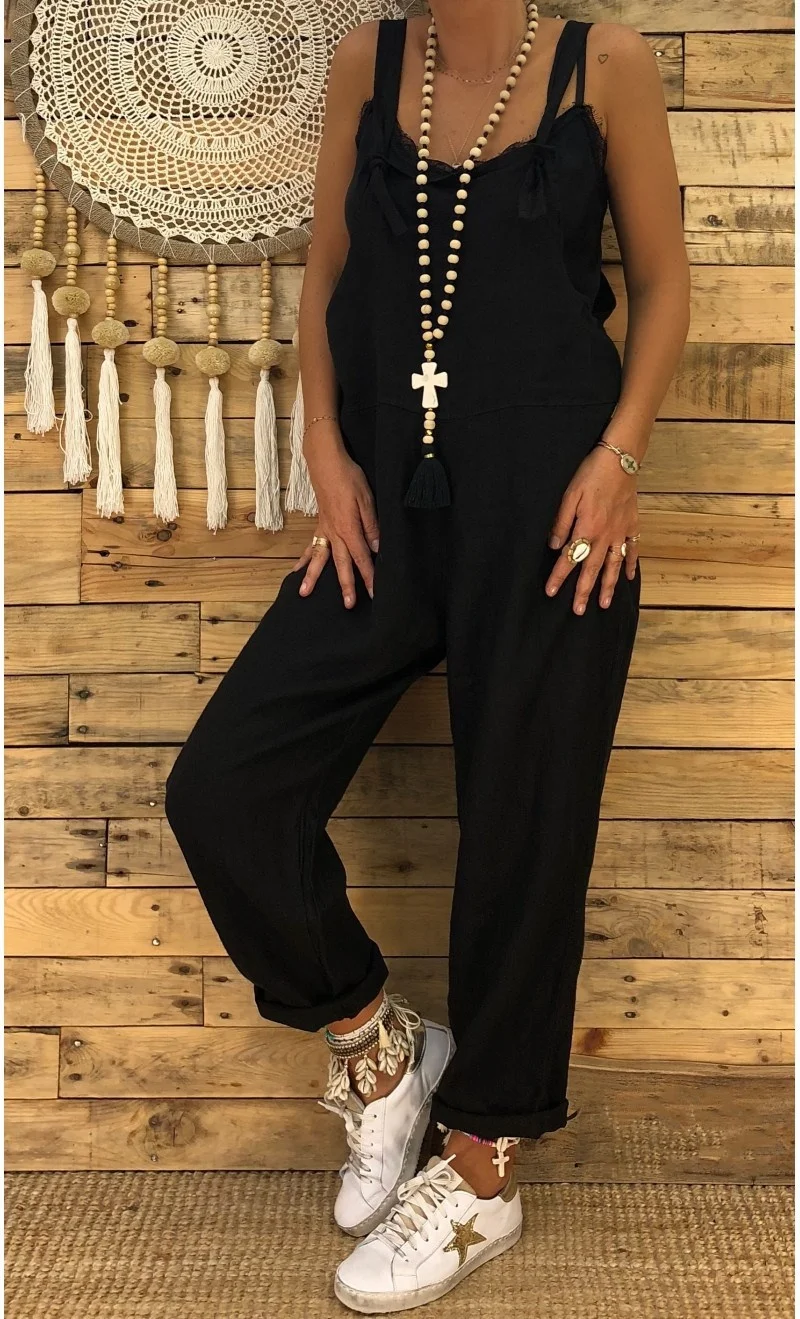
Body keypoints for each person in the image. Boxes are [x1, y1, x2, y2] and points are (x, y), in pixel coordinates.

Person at [165, 1, 690, 1310]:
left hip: (559, 508)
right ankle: (380, 1049)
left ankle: (482, 1167)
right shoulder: (370, 57)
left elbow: (667, 284)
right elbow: (327, 275)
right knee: (225, 787)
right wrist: (325, 448)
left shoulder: (604, 63)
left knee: (525, 824)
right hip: (388, 501)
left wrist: (621, 461)